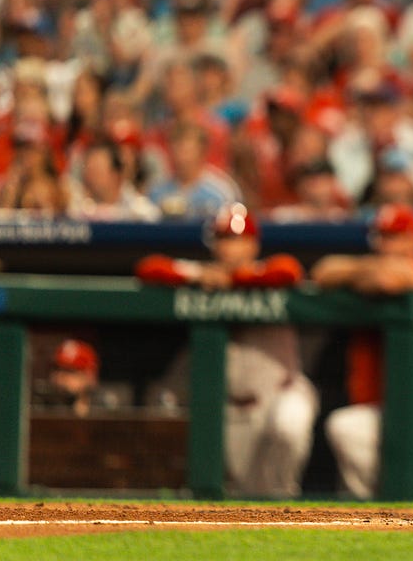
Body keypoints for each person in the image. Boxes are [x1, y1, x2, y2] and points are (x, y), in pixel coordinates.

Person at [135, 203, 318, 498]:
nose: (231, 248)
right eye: (224, 239)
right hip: (231, 409)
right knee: (238, 496)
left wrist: (233, 280)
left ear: (253, 244)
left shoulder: (267, 271)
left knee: (288, 430)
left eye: (239, 239)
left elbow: (288, 272)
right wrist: (196, 275)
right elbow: (150, 267)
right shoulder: (203, 277)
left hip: (279, 396)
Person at [310, 203, 413, 499]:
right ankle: (374, 512)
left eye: (395, 236)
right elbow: (323, 271)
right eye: (381, 236)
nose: (385, 244)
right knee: (345, 427)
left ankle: (401, 503)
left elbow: (388, 281)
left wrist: (359, 274)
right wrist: (367, 270)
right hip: (373, 406)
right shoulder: (372, 266)